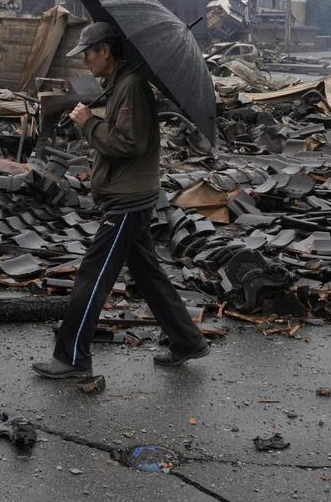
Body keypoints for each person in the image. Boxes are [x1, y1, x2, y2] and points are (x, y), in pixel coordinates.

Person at [32, 21, 210, 379]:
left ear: (106, 51)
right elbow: (123, 134)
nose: (85, 61)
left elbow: (130, 144)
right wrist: (93, 119)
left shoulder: (130, 87)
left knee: (93, 275)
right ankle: (187, 340)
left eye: (88, 53)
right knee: (148, 275)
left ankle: (72, 357)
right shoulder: (120, 86)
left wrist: (88, 125)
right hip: (131, 195)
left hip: (128, 200)